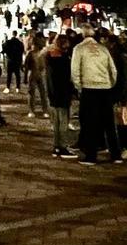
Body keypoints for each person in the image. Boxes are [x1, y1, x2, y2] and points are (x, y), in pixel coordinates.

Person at [72, 24, 120, 165]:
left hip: (89, 88)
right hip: (105, 88)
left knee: (89, 123)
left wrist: (78, 87)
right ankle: (116, 155)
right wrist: (110, 84)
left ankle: (91, 156)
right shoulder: (103, 49)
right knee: (109, 123)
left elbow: (75, 71)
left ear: (82, 35)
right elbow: (113, 70)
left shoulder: (79, 49)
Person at [44, 33, 77, 158]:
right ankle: (62, 147)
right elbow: (68, 78)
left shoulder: (49, 57)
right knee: (63, 121)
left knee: (56, 122)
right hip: (62, 93)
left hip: (53, 93)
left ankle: (56, 146)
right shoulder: (64, 59)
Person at [24, 33, 49, 118]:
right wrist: (25, 76)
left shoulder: (42, 53)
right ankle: (32, 110)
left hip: (40, 74)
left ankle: (44, 110)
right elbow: (26, 66)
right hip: (34, 73)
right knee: (32, 93)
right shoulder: (31, 53)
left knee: (42, 93)